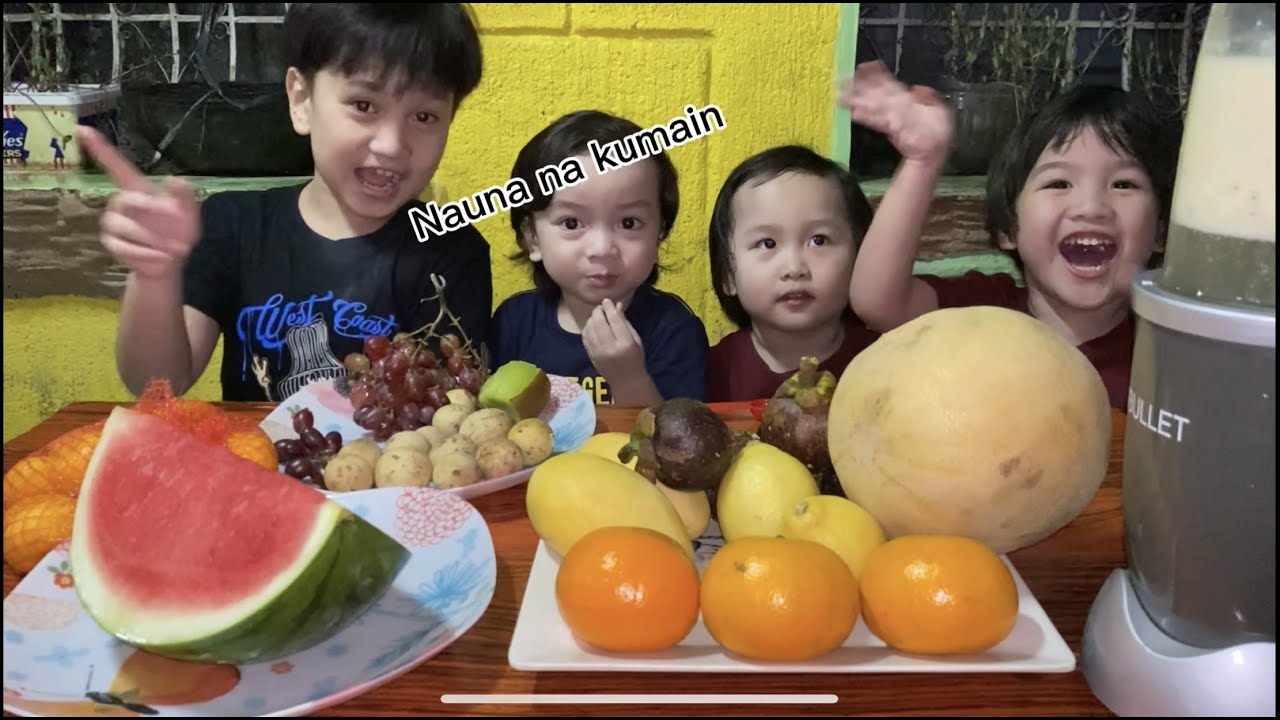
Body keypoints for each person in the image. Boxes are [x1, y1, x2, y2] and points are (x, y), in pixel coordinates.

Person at [79, 3, 492, 403]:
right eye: (364, 105)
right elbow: (156, 386)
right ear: (301, 99)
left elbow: (436, 415)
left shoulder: (454, 251)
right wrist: (154, 275)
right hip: (251, 451)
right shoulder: (233, 225)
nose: (391, 145)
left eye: (424, 117)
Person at [841, 61, 1178, 409]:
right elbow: (877, 303)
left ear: (1160, 231)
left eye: (1124, 184)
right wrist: (921, 162)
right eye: (1058, 183)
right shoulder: (983, 313)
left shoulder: (1172, 350)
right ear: (1008, 228)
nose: (1091, 207)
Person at [489, 110, 710, 406]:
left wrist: (629, 378)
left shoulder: (674, 329)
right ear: (532, 237)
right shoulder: (514, 323)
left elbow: (678, 431)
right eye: (571, 223)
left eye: (629, 223)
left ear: (659, 234)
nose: (602, 248)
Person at [705, 145, 880, 402]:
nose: (794, 268)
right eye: (767, 243)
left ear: (860, 256)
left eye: (819, 240)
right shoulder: (708, 373)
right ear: (728, 273)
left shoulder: (884, 362)